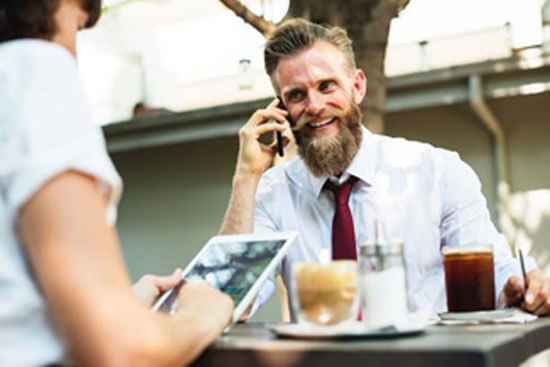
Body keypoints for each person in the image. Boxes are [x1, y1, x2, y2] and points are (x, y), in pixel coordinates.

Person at [219, 18, 550, 318]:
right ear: (281, 109)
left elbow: (495, 276)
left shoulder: (439, 172)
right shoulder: (272, 192)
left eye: (326, 86)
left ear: (358, 87)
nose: (315, 107)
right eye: (296, 95)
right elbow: (230, 303)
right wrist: (245, 178)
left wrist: (524, 287)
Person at [0, 1, 233, 366]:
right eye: (77, 28)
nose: (74, 55)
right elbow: (123, 350)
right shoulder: (32, 67)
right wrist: (204, 316)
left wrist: (119, 303)